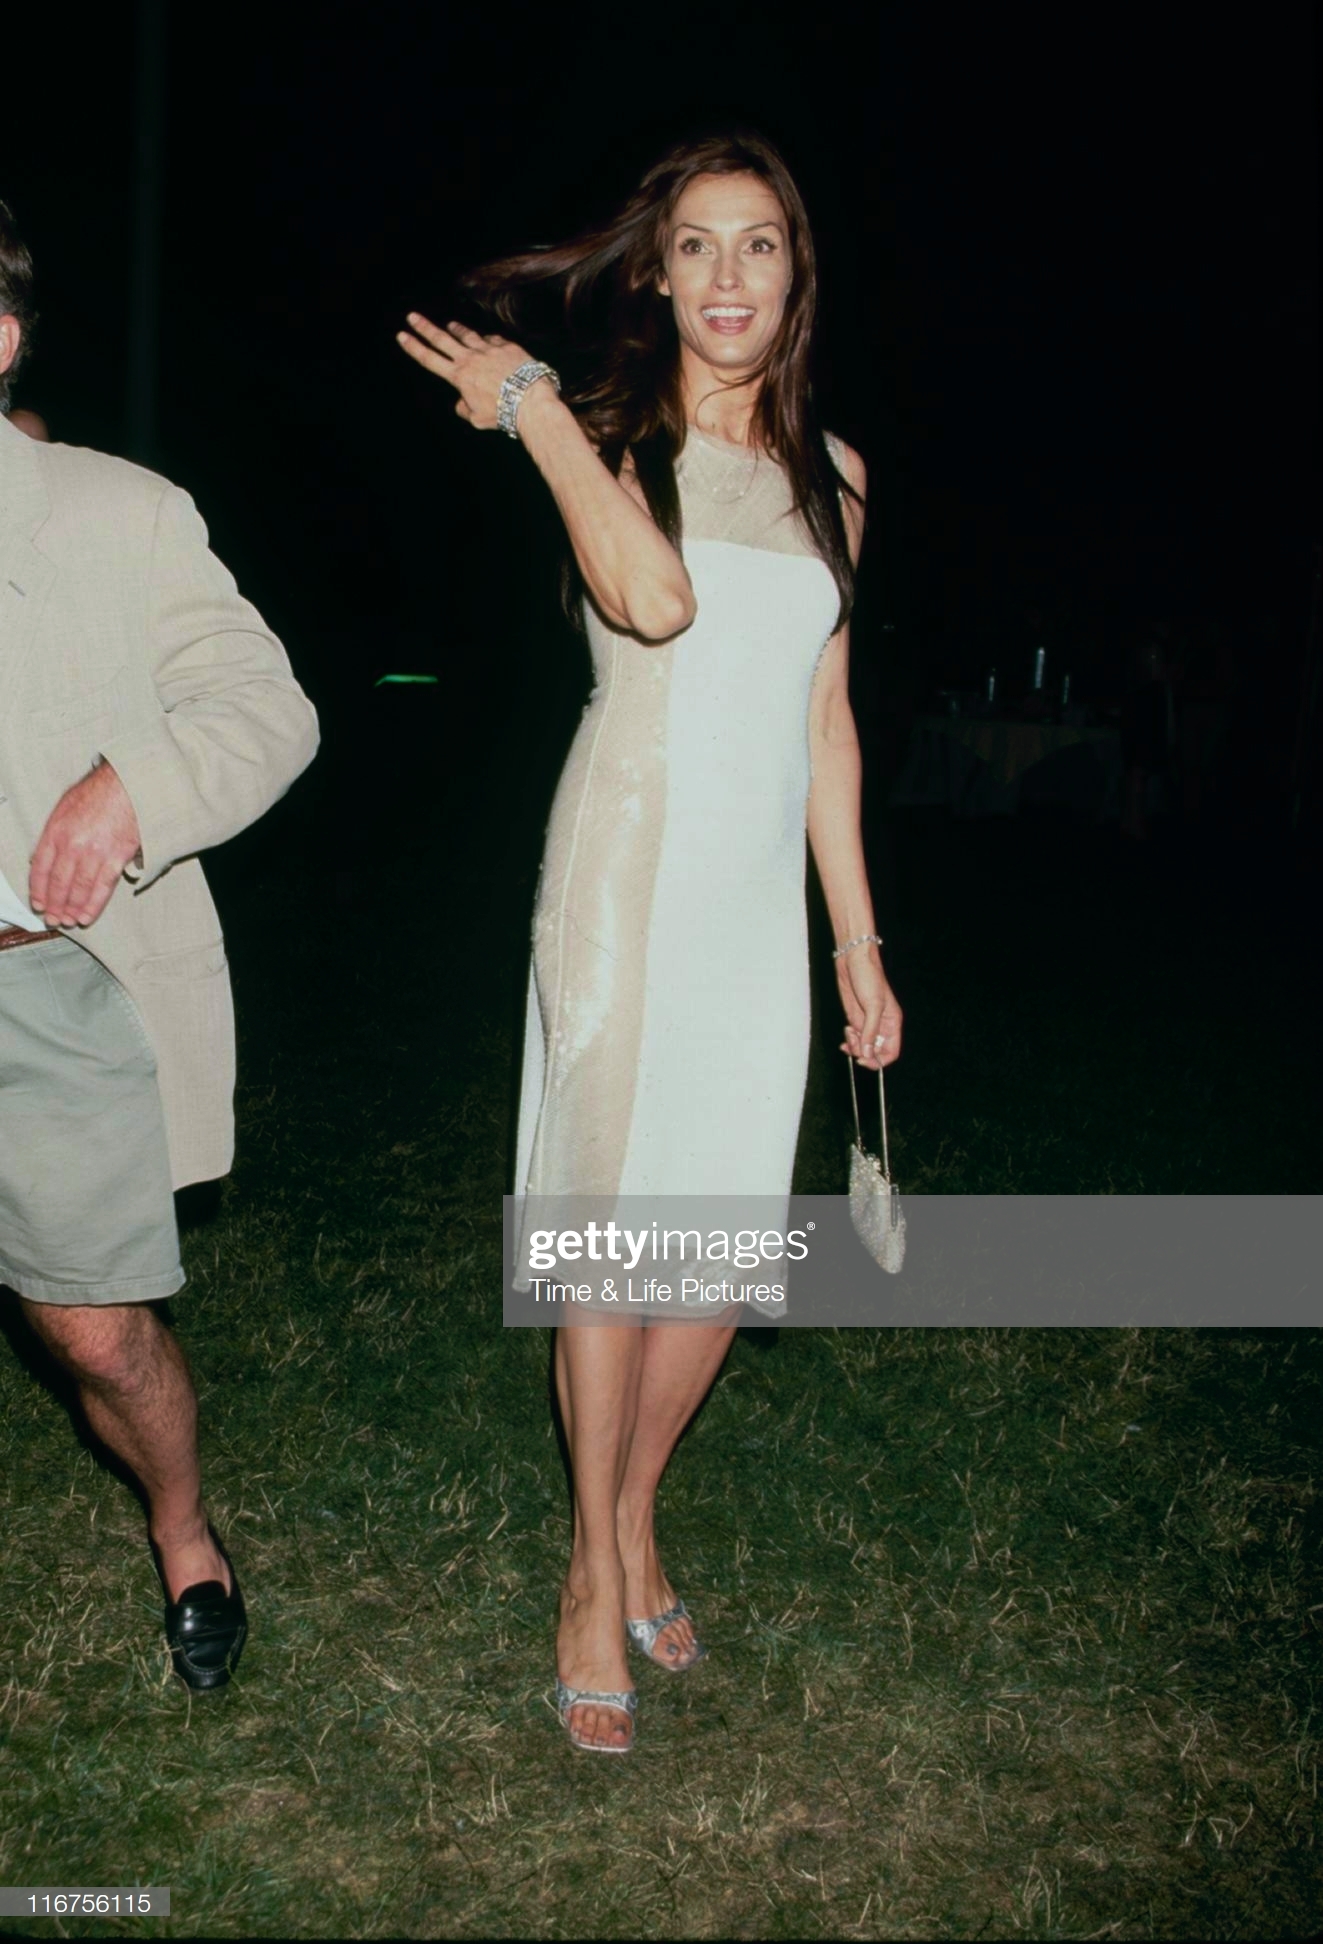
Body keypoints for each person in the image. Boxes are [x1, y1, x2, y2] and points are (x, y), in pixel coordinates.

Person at [398, 130, 902, 1753]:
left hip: (755, 901)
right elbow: (657, 604)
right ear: (661, 277)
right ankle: (588, 1567)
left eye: (759, 243)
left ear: (796, 274)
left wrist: (858, 945)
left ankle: (632, 1512)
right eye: (695, 245)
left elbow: (826, 722)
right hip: (626, 864)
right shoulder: (613, 438)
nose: (727, 275)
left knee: (721, 1247)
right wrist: (541, 415)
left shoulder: (841, 480)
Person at [0, 200, 319, 1689]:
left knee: (96, 1336)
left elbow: (267, 710)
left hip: (41, 987)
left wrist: (132, 786)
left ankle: (182, 1525)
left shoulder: (117, 514)